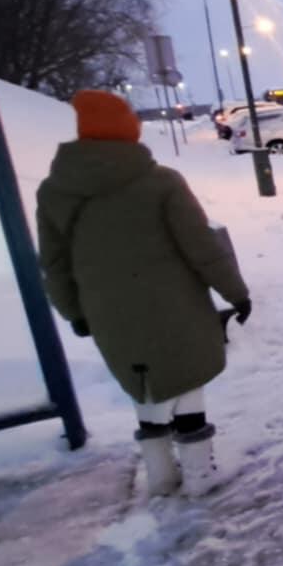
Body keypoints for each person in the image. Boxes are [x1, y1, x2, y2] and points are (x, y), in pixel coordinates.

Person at [35, 90, 252, 498]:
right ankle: (200, 474)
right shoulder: (161, 183)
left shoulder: (54, 192)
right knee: (185, 380)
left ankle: (160, 475)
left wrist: (73, 311)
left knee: (144, 382)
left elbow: (55, 263)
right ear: (127, 131)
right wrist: (235, 292)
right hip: (175, 306)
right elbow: (201, 248)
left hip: (108, 313)